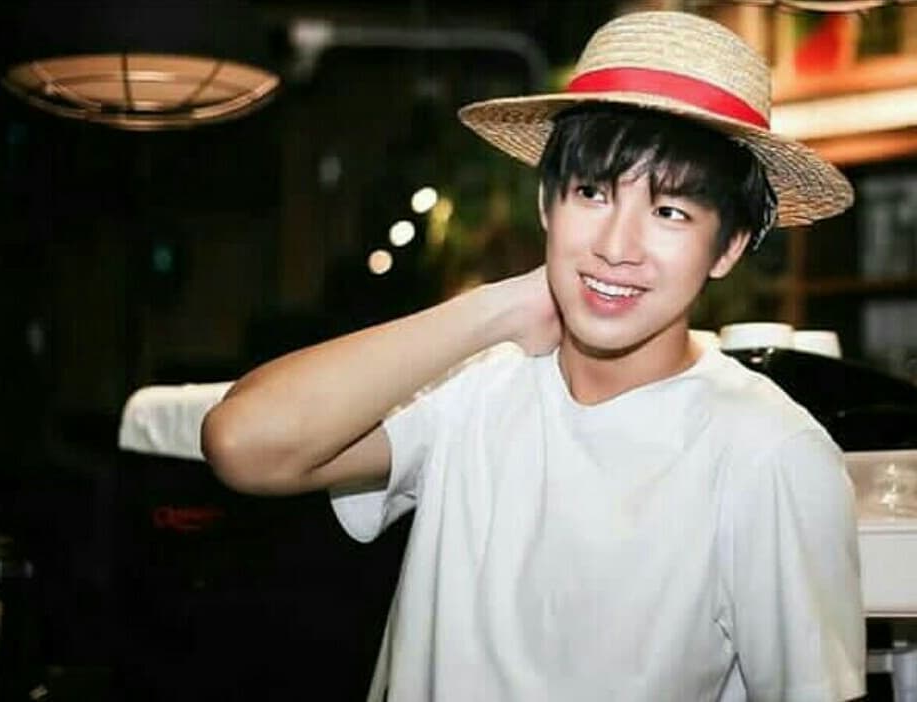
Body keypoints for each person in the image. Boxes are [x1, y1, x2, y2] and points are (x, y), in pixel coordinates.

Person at [202, 10, 865, 701]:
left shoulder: (768, 452)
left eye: (670, 212)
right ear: (548, 205)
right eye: (591, 193)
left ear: (727, 247)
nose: (616, 245)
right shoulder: (474, 387)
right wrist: (494, 308)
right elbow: (240, 442)